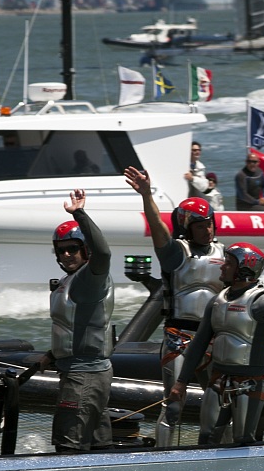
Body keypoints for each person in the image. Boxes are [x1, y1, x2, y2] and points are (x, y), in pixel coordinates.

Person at [125, 166, 225, 448]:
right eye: (200, 225)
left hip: (212, 338)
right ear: (186, 227)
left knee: (218, 404)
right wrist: (146, 195)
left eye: (209, 224)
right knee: (173, 405)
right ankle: (163, 456)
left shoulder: (224, 253)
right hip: (178, 337)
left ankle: (216, 454)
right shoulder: (175, 253)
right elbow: (158, 230)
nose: (207, 230)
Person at [168, 242, 264, 445]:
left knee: (243, 440)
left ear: (244, 269)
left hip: (249, 384)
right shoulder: (217, 301)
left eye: (228, 263)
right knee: (206, 437)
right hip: (217, 380)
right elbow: (199, 343)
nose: (222, 266)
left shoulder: (263, 301)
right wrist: (181, 382)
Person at [36, 189, 115, 453]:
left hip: (84, 375)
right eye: (61, 251)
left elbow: (103, 254)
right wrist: (51, 355)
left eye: (73, 248)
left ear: (85, 249)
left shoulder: (91, 278)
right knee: (97, 448)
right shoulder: (68, 281)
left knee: (68, 448)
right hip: (80, 372)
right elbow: (73, 327)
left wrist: (80, 214)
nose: (67, 255)